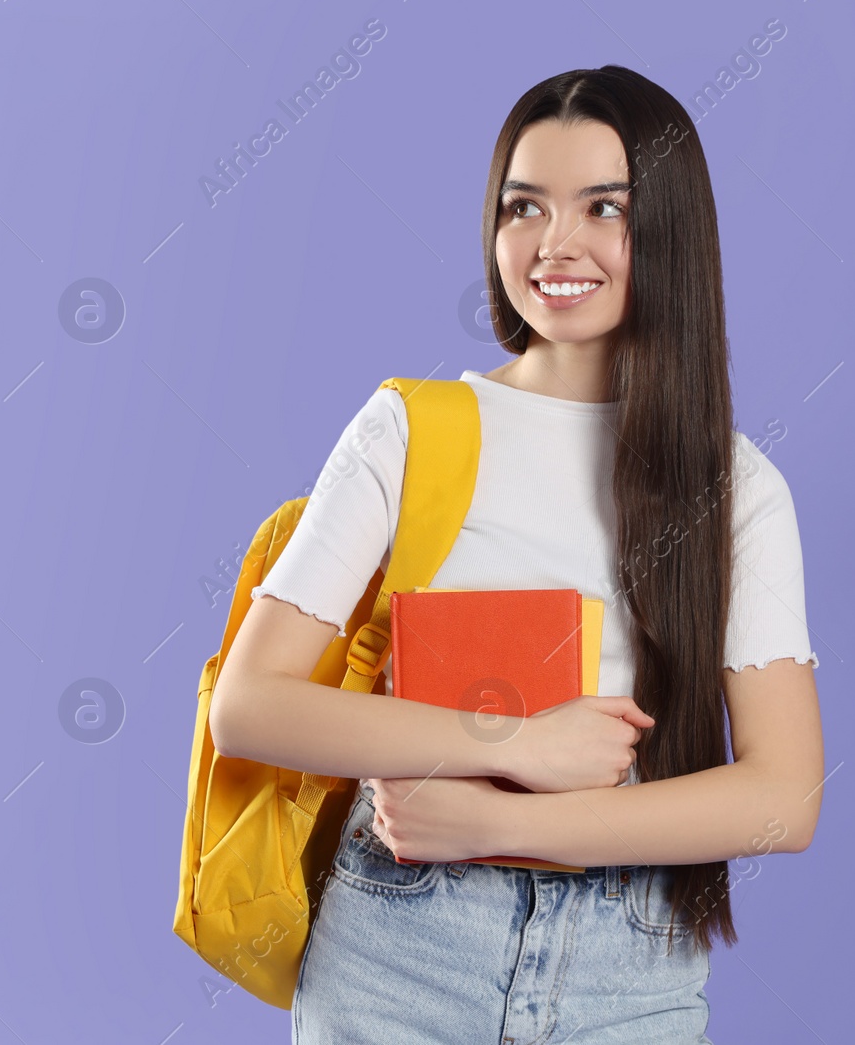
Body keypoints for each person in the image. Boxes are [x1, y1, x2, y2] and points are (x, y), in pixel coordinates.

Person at [208, 65, 824, 1044]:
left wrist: (506, 821)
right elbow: (248, 705)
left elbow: (783, 796)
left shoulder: (735, 484)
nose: (554, 244)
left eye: (602, 208)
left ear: (668, 229)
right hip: (400, 950)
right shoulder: (409, 432)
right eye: (522, 206)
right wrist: (513, 742)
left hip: (627, 965)